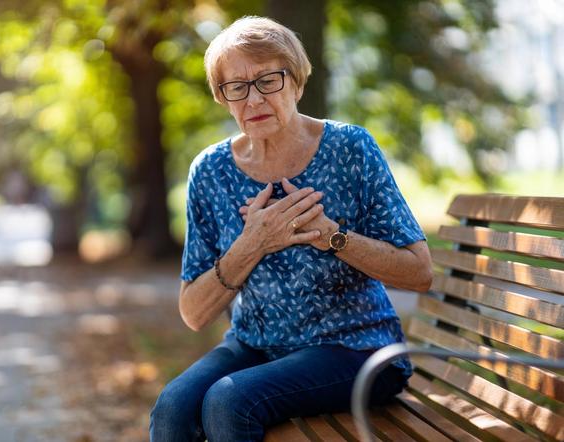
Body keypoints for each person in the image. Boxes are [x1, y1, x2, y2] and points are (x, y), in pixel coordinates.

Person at [150, 16, 432, 441]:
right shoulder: (210, 171)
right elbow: (193, 312)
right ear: (222, 98)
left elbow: (419, 272)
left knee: (229, 401)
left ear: (297, 83)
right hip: (255, 344)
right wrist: (253, 244)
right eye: (237, 87)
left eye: (269, 80)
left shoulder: (350, 148)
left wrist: (330, 236)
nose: (253, 99)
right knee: (173, 407)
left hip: (356, 348)